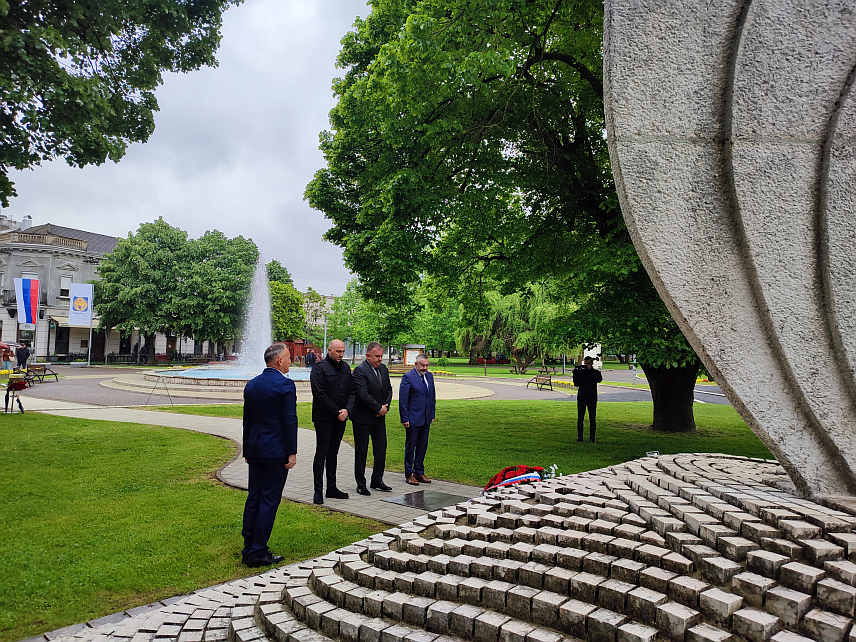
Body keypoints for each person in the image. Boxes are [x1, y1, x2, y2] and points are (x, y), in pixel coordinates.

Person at [241, 343, 298, 567]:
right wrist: (291, 452)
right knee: (268, 499)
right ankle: (258, 551)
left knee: (254, 496)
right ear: (279, 361)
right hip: (275, 452)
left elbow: (248, 420)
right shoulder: (285, 385)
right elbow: (289, 421)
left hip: (255, 450)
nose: (291, 361)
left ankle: (249, 546)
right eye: (288, 358)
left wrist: (247, 449)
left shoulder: (252, 385)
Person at [309, 339, 355, 504]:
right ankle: (318, 491)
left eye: (343, 351)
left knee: (333, 453)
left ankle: (332, 488)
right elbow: (319, 394)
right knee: (321, 453)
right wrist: (336, 411)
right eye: (338, 351)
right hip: (324, 418)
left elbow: (351, 392)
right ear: (329, 350)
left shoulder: (345, 368)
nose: (341, 354)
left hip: (341, 417)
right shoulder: (319, 368)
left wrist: (347, 410)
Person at [351, 341, 393, 495]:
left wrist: (385, 407)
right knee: (362, 451)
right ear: (368, 356)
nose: (380, 359)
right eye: (377, 356)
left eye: (382, 356)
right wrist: (377, 408)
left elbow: (388, 390)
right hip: (363, 418)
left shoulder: (383, 369)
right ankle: (361, 484)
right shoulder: (359, 371)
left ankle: (377, 480)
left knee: (381, 449)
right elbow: (363, 394)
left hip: (379, 418)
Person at [399, 354, 436, 485]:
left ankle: (419, 472)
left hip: (426, 419)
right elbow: (403, 400)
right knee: (411, 446)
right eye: (422, 365)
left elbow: (432, 397)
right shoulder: (408, 377)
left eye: (427, 365)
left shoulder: (429, 376)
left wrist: (432, 414)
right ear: (416, 364)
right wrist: (405, 418)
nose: (425, 368)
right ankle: (410, 474)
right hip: (413, 418)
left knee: (422, 446)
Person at [573, 356, 603, 443]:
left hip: (592, 398)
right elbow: (576, 384)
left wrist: (591, 370)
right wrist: (575, 373)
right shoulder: (581, 372)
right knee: (580, 418)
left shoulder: (595, 372)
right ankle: (580, 437)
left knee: (592, 418)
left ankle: (592, 437)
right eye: (585, 364)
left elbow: (599, 379)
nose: (586, 365)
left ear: (592, 363)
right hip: (582, 397)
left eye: (588, 364)